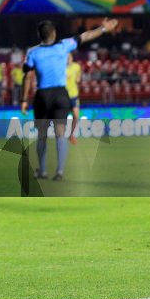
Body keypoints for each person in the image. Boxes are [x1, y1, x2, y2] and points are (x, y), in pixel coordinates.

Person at [21, 19, 117, 179]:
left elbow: (27, 76)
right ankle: (59, 172)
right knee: (61, 133)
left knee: (42, 135)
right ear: (54, 33)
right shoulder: (64, 45)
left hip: (43, 95)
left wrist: (24, 100)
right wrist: (102, 29)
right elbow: (85, 36)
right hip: (60, 94)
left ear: (39, 35)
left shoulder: (33, 52)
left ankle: (43, 171)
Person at [66, 53, 83, 145]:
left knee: (76, 116)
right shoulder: (61, 68)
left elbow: (79, 76)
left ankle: (71, 135)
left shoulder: (77, 66)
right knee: (61, 118)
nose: (68, 59)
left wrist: (78, 79)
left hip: (74, 95)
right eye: (67, 58)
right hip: (64, 96)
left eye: (69, 57)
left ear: (72, 58)